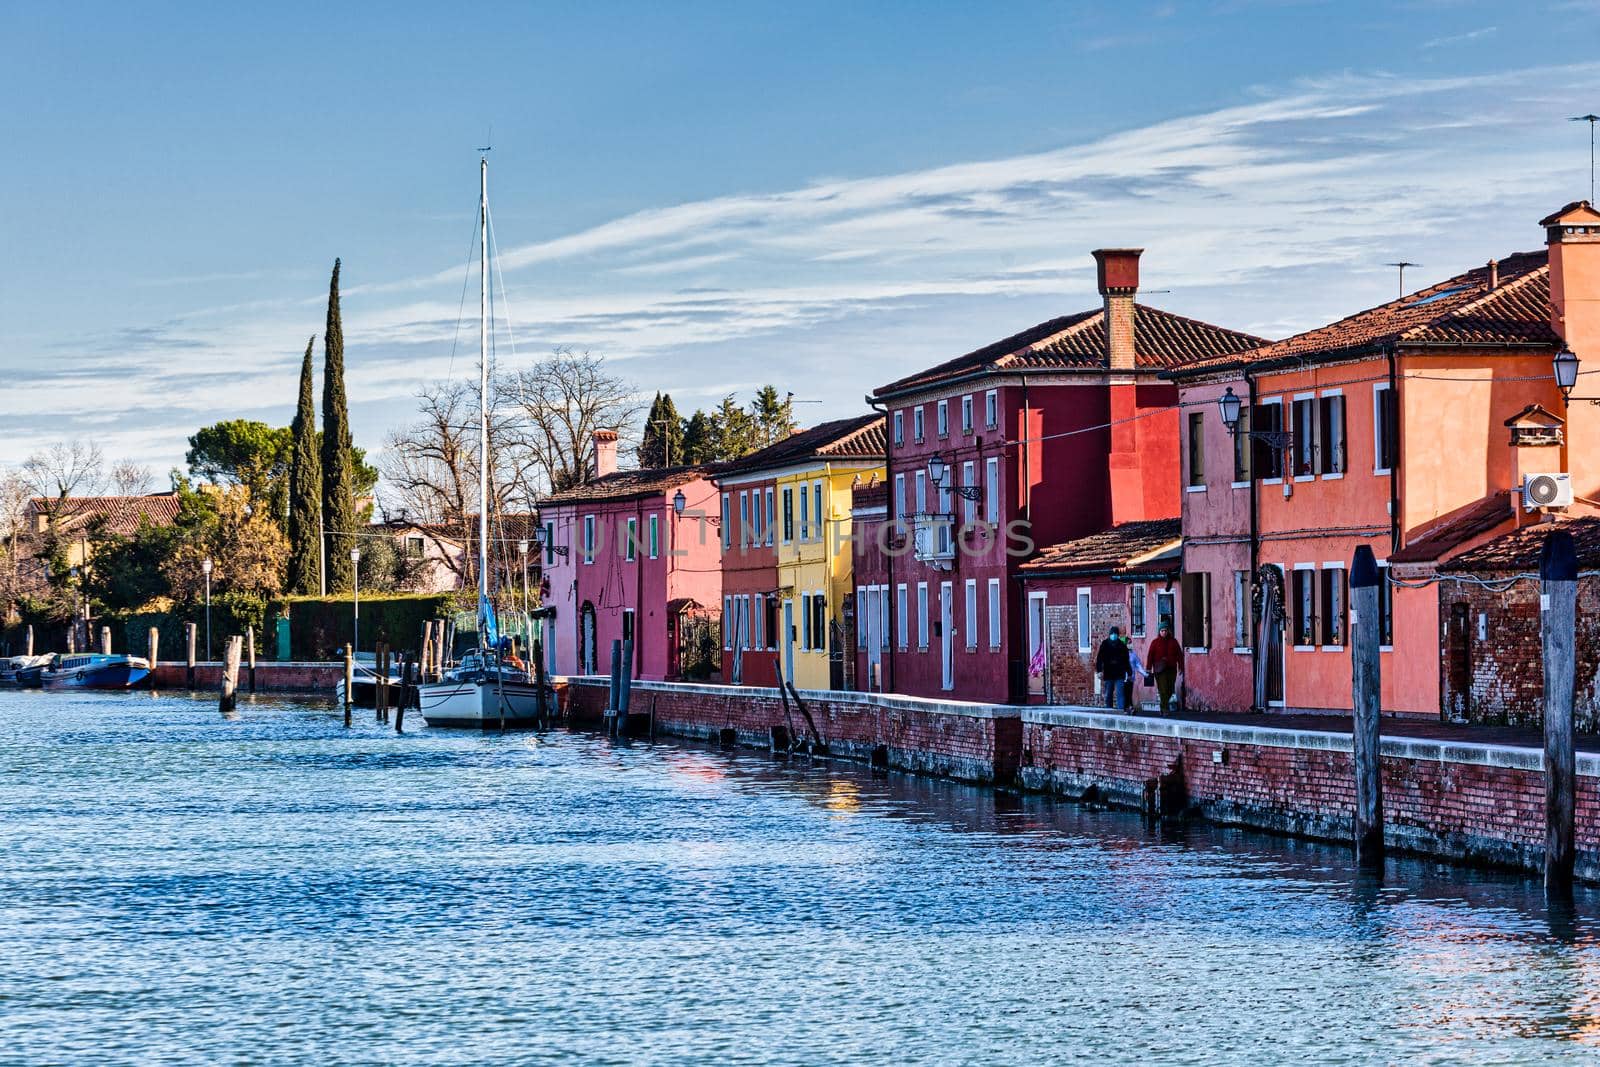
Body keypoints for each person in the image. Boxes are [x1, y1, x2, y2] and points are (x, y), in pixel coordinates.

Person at [1145, 622, 1184, 716]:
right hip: (1160, 669)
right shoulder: (1155, 642)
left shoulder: (1173, 641)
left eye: (1165, 630)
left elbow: (1179, 655)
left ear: (1168, 631)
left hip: (1171, 668)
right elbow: (1150, 655)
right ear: (1159, 631)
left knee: (1170, 688)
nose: (1164, 632)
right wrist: (1148, 668)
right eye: (1162, 630)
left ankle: (1163, 706)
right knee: (1163, 689)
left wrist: (1181, 667)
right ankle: (1165, 709)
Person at [1093, 626, 1131, 710]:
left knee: (1120, 694)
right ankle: (1108, 710)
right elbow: (1100, 658)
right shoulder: (1105, 644)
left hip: (1119, 673)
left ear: (1117, 635)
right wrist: (1099, 670)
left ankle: (1120, 711)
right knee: (1108, 694)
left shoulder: (1122, 646)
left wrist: (1129, 672)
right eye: (1112, 633)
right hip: (1108, 672)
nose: (1113, 635)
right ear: (1109, 634)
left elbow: (1126, 660)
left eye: (1115, 634)